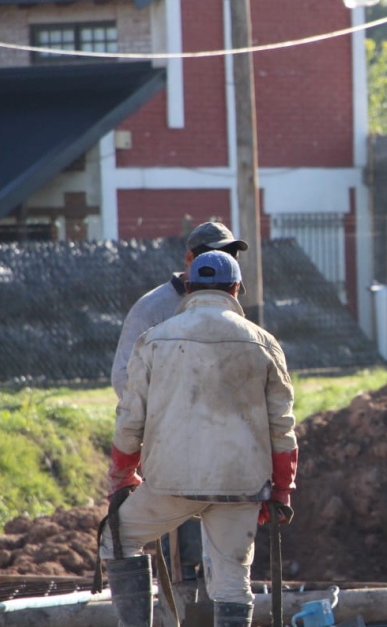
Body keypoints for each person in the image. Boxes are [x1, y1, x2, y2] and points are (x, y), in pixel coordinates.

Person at [101, 250, 298, 627]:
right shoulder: (265, 343)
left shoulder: (153, 340)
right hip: (242, 484)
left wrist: (124, 475)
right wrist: (282, 491)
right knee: (232, 584)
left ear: (188, 287)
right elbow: (282, 428)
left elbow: (130, 420)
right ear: (237, 289)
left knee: (117, 540)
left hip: (170, 482)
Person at [110, 220, 249, 582]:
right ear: (190, 260)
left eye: (229, 254)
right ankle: (184, 598)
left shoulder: (232, 308)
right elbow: (124, 378)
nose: (223, 261)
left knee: (227, 553)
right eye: (211, 255)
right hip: (174, 444)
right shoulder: (155, 308)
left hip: (223, 446)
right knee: (180, 545)